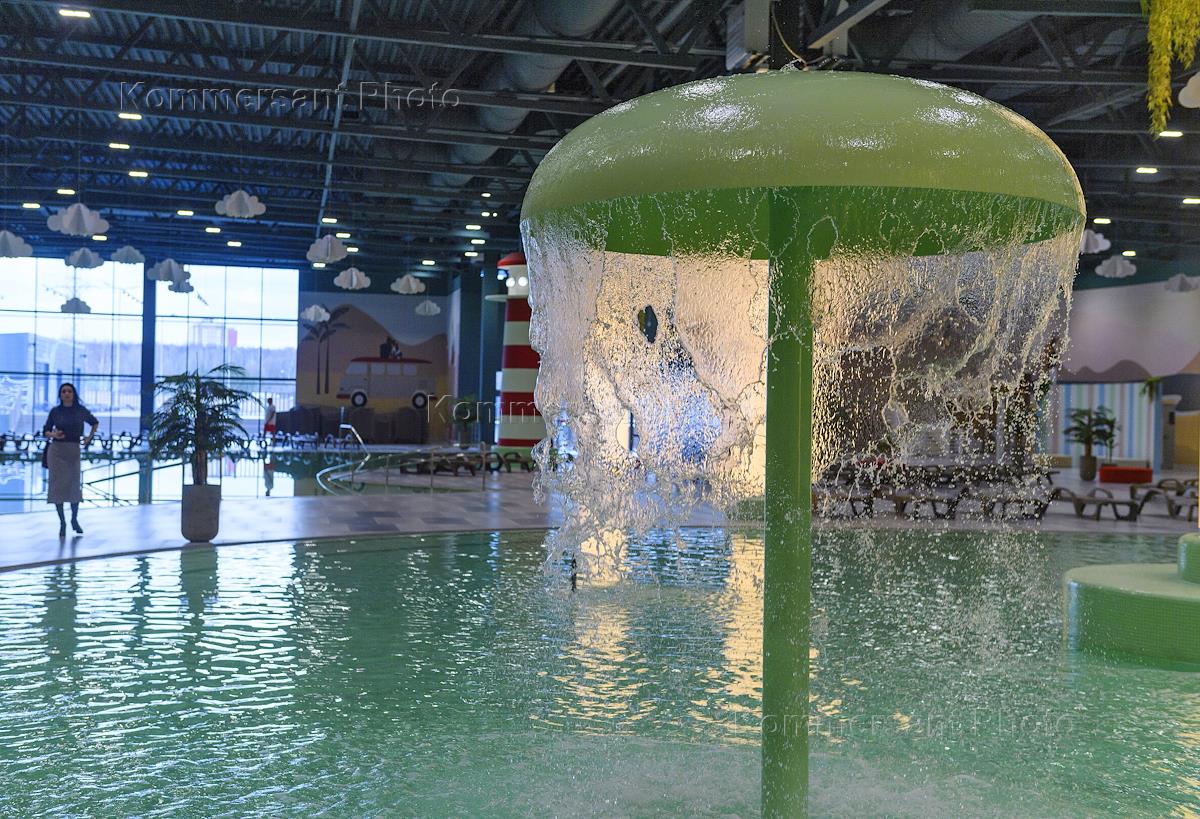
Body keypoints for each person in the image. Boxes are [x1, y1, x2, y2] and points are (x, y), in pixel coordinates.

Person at [42, 383, 98, 537]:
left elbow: (94, 422)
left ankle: (74, 519)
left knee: (74, 485)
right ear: (60, 395)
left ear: (74, 394)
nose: (66, 394)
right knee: (57, 487)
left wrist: (89, 438)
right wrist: (54, 435)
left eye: (69, 391)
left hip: (73, 450)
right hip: (57, 451)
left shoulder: (80, 410)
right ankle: (62, 522)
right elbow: (45, 431)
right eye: (63, 391)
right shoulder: (55, 411)